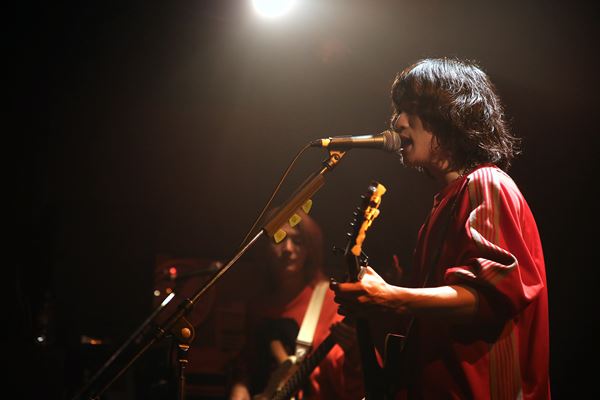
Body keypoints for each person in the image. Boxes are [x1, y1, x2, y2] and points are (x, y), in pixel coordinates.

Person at [331, 57, 550, 399]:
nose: (397, 121)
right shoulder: (444, 205)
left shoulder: (487, 183)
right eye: (398, 110)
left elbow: (492, 296)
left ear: (451, 115)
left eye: (412, 109)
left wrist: (391, 296)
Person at [229, 208, 364, 400]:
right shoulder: (258, 305)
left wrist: (355, 355)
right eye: (279, 239)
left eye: (298, 241)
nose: (288, 249)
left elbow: (346, 375)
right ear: (265, 247)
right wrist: (240, 385)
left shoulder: (329, 301)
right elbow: (248, 362)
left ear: (310, 248)